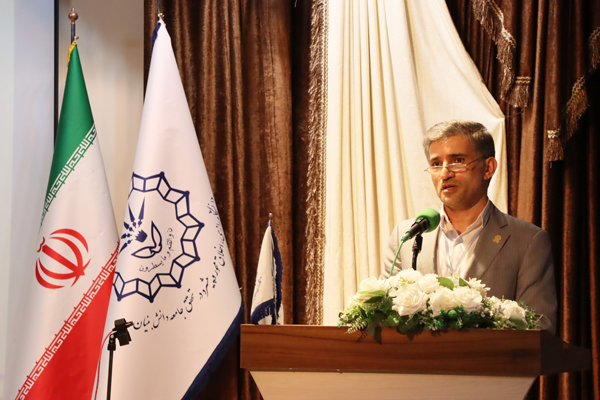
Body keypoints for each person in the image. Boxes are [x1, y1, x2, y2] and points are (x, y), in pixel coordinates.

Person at [382, 120, 557, 332]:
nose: (445, 173)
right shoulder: (407, 235)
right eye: (436, 164)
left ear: (488, 168)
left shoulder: (527, 241)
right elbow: (383, 315)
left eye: (458, 161)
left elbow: (539, 326)